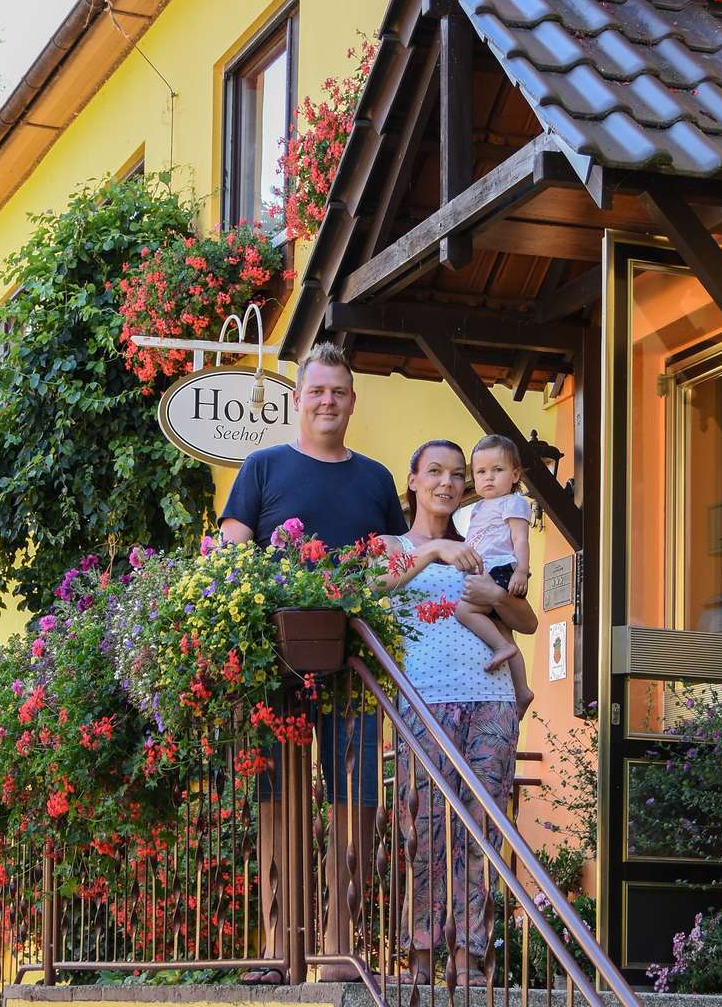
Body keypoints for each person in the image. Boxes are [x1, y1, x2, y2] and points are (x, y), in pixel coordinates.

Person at [218, 341, 407, 984]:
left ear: (353, 402)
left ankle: (337, 950)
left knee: (354, 809)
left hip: (353, 672)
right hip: (277, 670)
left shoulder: (378, 480)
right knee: (279, 806)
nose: (328, 401)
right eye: (317, 391)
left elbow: (392, 567)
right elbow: (231, 556)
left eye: (339, 392)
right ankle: (277, 951)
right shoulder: (264, 466)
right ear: (299, 400)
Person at [378, 438, 538, 987]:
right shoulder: (389, 544)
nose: (447, 482)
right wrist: (432, 554)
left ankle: (469, 958)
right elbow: (369, 593)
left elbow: (529, 621)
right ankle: (420, 954)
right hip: (423, 699)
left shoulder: (486, 537)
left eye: (456, 474)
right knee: (422, 829)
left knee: (482, 830)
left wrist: (493, 593)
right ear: (415, 479)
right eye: (435, 472)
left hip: (492, 699)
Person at [456, 434, 535, 716]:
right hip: (485, 571)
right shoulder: (478, 507)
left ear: (515, 474)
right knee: (504, 630)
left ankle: (500, 647)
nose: (488, 478)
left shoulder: (513, 503)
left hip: (503, 569)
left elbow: (521, 540)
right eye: (481, 472)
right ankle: (522, 690)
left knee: (464, 611)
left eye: (497, 470)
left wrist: (522, 571)